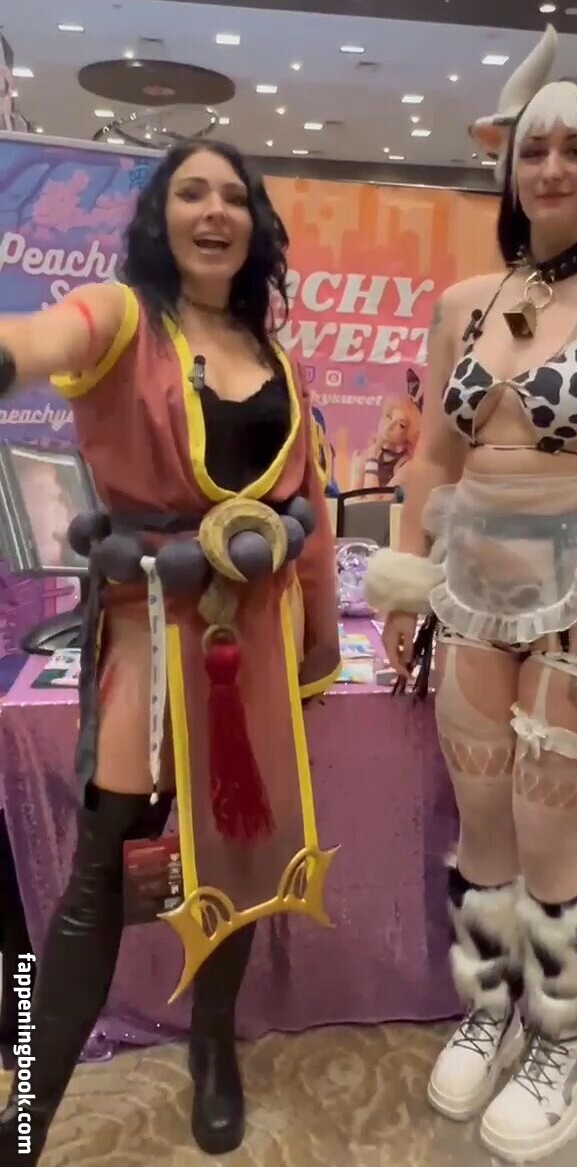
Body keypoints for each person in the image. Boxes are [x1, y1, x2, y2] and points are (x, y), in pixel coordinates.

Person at [365, 22, 577, 1163]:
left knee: (556, 835)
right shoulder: (466, 298)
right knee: (483, 827)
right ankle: (494, 1006)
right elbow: (434, 457)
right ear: (507, 164)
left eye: (574, 148)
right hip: (469, 590)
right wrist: (405, 577)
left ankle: (569, 1045)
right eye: (534, 149)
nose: (550, 168)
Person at [0, 139, 340, 1163]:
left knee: (231, 857)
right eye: (191, 191)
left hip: (252, 649)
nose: (214, 210)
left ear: (255, 226)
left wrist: (315, 648)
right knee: (94, 882)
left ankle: (211, 1046)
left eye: (234, 196)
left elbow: (309, 511)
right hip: (150, 639)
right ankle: (28, 1114)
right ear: (160, 214)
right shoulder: (121, 318)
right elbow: (35, 338)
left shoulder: (272, 355)